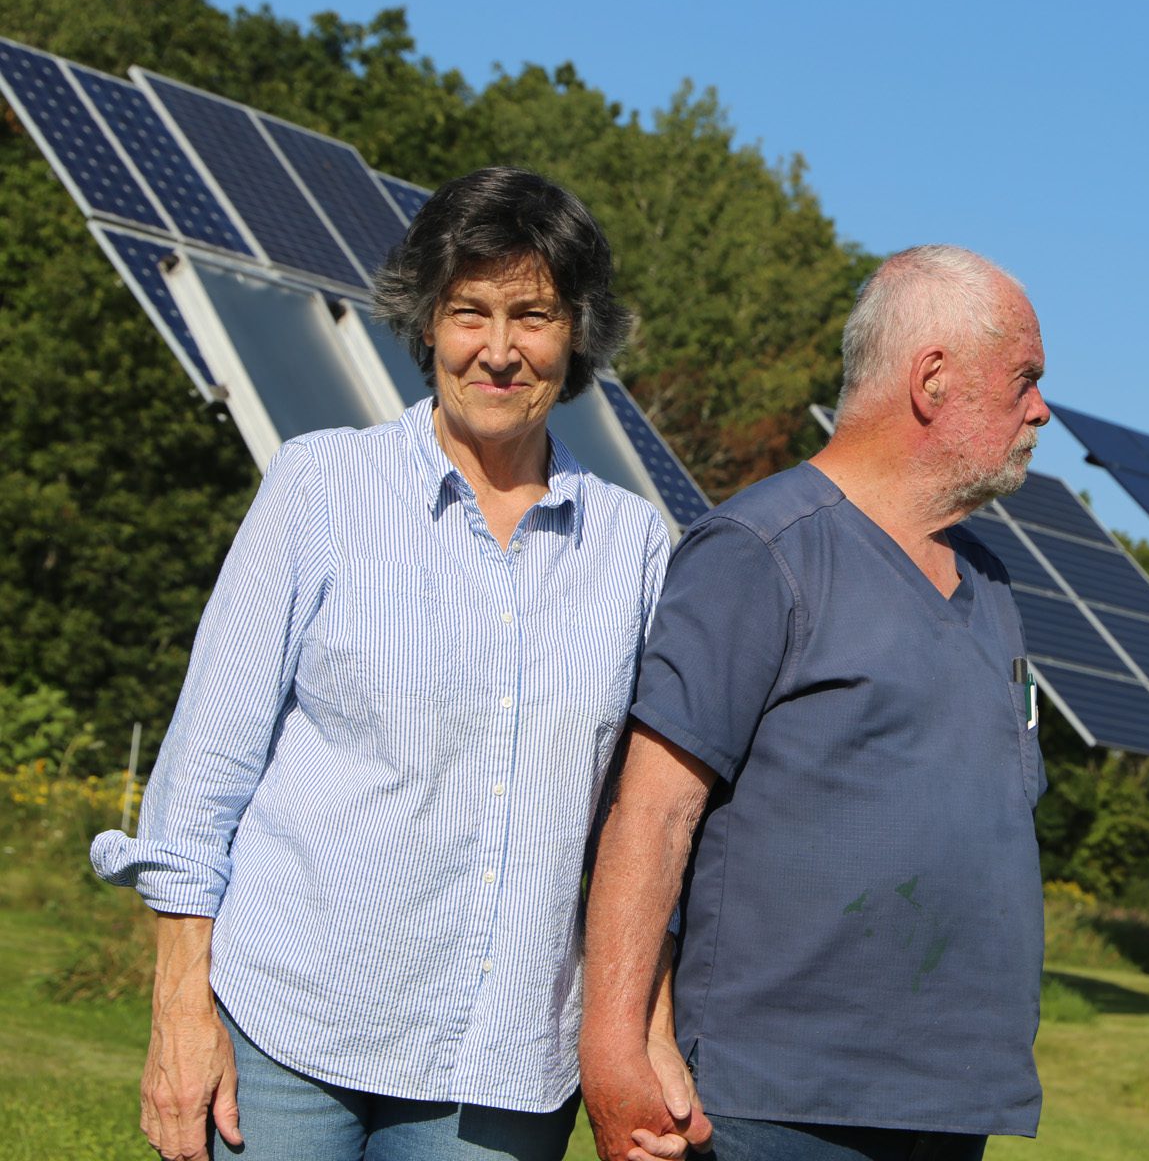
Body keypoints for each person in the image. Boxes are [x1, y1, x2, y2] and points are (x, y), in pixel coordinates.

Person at [91, 167, 704, 1161]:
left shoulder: (636, 548)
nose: (499, 351)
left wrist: (647, 1028)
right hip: (288, 1027)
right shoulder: (320, 487)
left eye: (533, 316)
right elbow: (206, 768)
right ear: (426, 321)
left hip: (500, 1063)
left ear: (578, 334)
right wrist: (179, 1015)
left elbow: (640, 825)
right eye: (470, 311)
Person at [579, 245, 1051, 1161]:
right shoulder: (762, 554)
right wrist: (616, 1041)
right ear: (933, 379)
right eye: (1024, 378)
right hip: (772, 1107)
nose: (1041, 409)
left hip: (944, 1110)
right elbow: (652, 812)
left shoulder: (991, 586)